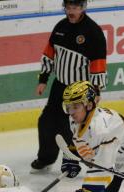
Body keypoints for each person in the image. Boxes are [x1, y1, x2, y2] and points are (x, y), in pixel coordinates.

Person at [31, 0, 106, 172]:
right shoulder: (60, 27)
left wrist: (96, 89)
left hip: (80, 90)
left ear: (83, 8)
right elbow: (49, 54)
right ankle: (46, 158)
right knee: (46, 121)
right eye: (69, 7)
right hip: (59, 85)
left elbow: (98, 63)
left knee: (73, 126)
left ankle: (85, 158)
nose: (71, 11)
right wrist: (43, 79)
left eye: (76, 8)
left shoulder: (93, 32)